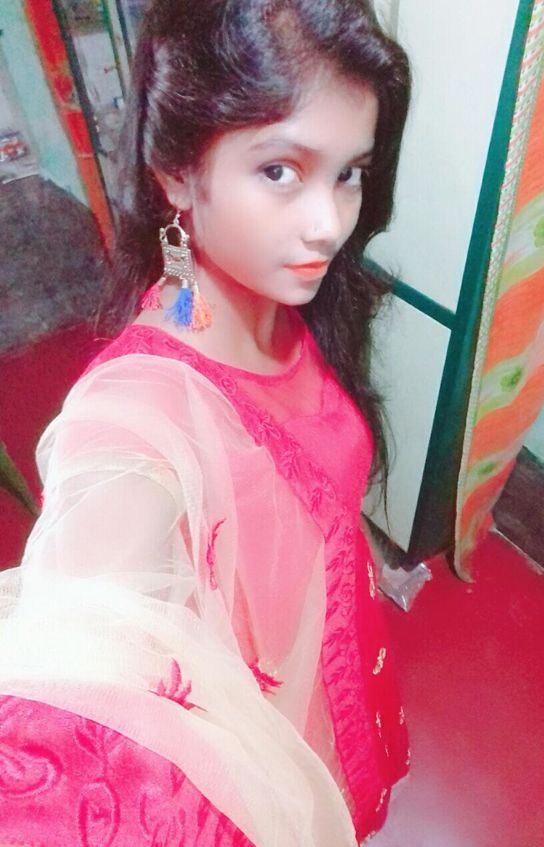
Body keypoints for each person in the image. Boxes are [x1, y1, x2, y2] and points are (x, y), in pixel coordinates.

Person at [0, 1, 411, 845]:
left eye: (350, 173)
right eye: (281, 171)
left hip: (337, 671)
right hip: (261, 758)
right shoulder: (136, 420)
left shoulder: (294, 299)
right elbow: (64, 749)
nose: (330, 223)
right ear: (178, 175)